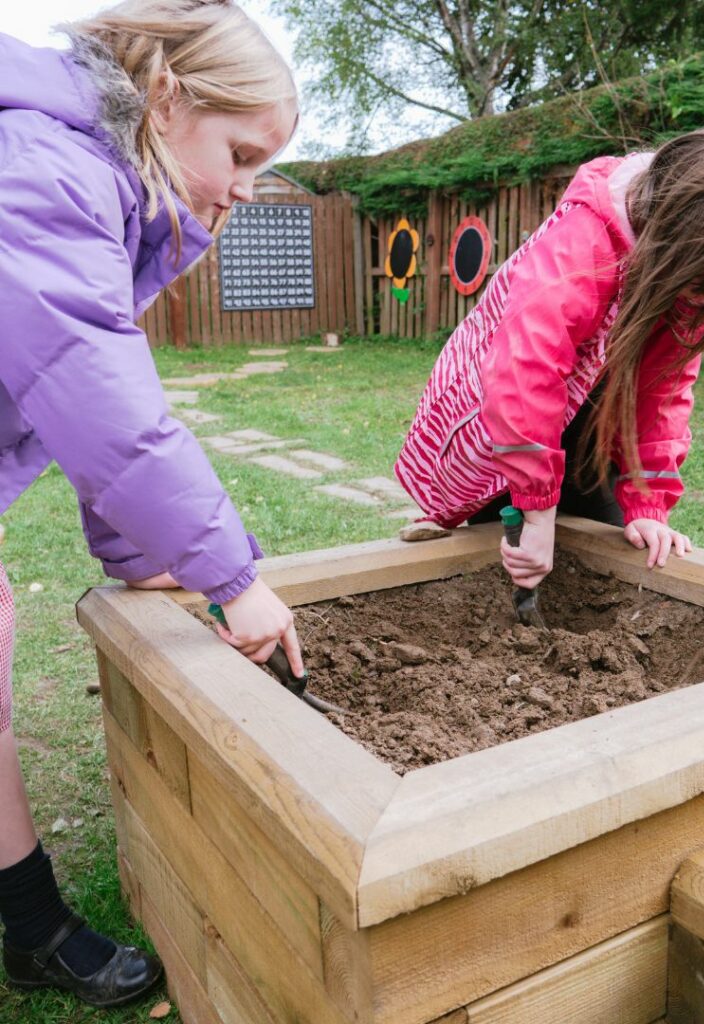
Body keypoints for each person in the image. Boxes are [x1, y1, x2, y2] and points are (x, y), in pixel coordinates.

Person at [0, 0, 302, 1006]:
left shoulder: (97, 178)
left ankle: (26, 917)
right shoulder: (44, 167)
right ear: (168, 97)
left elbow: (76, 396)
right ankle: (32, 922)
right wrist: (233, 579)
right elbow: (103, 400)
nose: (247, 189)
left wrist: (136, 556)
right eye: (243, 154)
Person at [395, 121, 704, 590]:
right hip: (500, 415)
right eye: (697, 281)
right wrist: (537, 511)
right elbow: (526, 368)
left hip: (592, 426)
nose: (700, 300)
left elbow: (662, 395)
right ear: (670, 229)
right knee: (496, 543)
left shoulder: (696, 292)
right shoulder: (583, 238)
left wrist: (647, 504)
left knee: (598, 543)